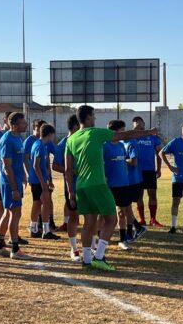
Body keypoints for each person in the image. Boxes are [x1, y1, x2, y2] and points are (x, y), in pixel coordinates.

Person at [64, 105, 158, 272]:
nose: (94, 118)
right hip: (97, 184)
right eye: (93, 115)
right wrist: (149, 132)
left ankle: (87, 260)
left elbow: (68, 169)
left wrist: (71, 192)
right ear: (88, 118)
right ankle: (99, 257)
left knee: (89, 223)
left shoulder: (71, 139)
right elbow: (125, 135)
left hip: (81, 187)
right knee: (111, 219)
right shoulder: (95, 133)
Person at [0, 112, 28, 259]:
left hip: (16, 181)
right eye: (23, 122)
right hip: (9, 182)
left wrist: (23, 176)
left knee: (9, 213)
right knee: (15, 213)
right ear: (14, 125)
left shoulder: (18, 137)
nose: (26, 124)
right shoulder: (7, 140)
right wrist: (14, 188)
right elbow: (7, 167)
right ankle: (15, 249)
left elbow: (18, 161)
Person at [52, 114, 81, 260]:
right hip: (71, 186)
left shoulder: (82, 141)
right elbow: (55, 166)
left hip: (87, 185)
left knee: (91, 216)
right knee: (73, 217)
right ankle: (73, 249)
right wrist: (70, 171)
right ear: (76, 126)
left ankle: (92, 247)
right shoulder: (63, 144)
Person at [104, 121, 137, 250]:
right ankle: (99, 239)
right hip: (110, 185)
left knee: (122, 212)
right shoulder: (104, 146)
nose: (124, 133)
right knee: (105, 214)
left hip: (124, 184)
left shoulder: (122, 145)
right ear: (114, 132)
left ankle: (123, 240)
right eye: (122, 130)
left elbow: (123, 163)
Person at [130, 116, 163, 227]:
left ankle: (153, 219)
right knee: (139, 196)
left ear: (144, 123)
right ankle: (142, 220)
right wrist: (135, 131)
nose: (139, 126)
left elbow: (159, 153)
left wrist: (159, 169)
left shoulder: (152, 137)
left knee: (152, 195)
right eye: (136, 125)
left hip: (150, 171)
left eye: (141, 124)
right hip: (137, 171)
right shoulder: (132, 137)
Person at [28, 123, 59, 240]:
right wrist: (43, 183)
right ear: (50, 134)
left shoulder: (42, 145)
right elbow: (36, 166)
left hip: (38, 180)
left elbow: (44, 165)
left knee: (37, 204)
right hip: (37, 181)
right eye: (53, 135)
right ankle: (46, 231)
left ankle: (33, 229)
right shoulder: (39, 146)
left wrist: (48, 179)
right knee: (45, 203)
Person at [22, 119, 46, 238]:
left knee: (42, 201)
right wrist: (28, 174)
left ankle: (41, 224)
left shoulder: (43, 141)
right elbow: (25, 159)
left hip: (42, 176)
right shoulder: (30, 141)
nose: (39, 132)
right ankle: (33, 226)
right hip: (35, 177)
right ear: (34, 129)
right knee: (37, 201)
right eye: (37, 129)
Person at [123, 136, 146, 242]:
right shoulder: (121, 143)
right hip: (124, 180)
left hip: (132, 181)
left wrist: (120, 160)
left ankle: (132, 231)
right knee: (125, 207)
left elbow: (134, 162)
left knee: (125, 207)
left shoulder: (131, 143)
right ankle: (136, 228)